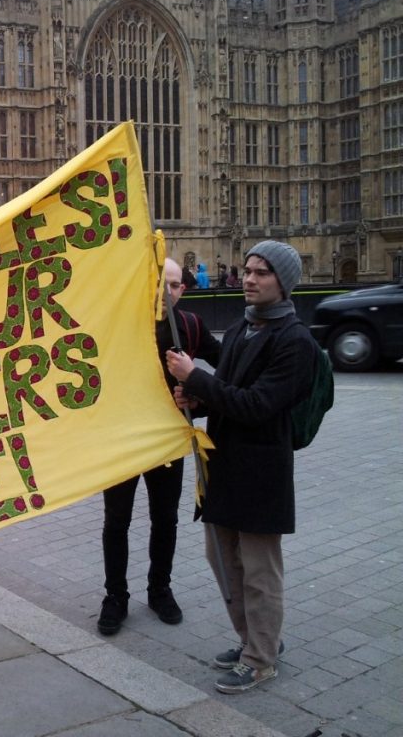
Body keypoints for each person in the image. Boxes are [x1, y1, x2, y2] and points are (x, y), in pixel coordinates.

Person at [165, 241, 315, 694]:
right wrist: (196, 399)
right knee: (222, 558)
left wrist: (196, 378)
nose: (249, 279)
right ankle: (254, 640)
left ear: (283, 282)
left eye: (262, 272)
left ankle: (261, 659)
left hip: (260, 471)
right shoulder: (239, 330)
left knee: (258, 569)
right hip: (223, 464)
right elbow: (227, 395)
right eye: (248, 270)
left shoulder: (295, 342)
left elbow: (257, 406)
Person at [97, 258, 222, 635]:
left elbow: (231, 366)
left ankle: (159, 589)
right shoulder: (118, 321)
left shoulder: (191, 326)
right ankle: (115, 596)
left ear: (183, 290)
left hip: (167, 440)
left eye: (172, 286)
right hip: (122, 438)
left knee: (165, 518)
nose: (164, 293)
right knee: (116, 521)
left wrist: (197, 394)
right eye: (158, 284)